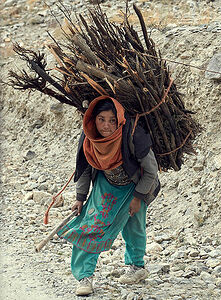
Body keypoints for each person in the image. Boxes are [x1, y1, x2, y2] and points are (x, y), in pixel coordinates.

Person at [57, 96, 160, 296]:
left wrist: (138, 197)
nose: (106, 125)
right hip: (106, 185)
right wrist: (80, 197)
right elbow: (84, 168)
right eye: (101, 119)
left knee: (134, 225)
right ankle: (84, 277)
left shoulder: (132, 134)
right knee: (91, 225)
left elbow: (151, 171)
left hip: (134, 185)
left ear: (119, 119)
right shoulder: (89, 137)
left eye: (112, 120)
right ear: (93, 120)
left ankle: (137, 267)